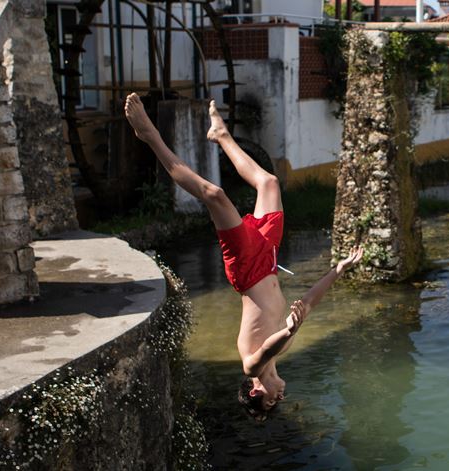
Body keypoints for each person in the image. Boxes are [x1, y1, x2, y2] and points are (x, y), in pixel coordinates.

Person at [124, 93, 363, 420]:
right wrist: (338, 269)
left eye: (270, 401)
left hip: (248, 271)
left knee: (214, 195)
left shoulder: (251, 362)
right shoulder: (286, 347)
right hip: (268, 260)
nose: (279, 398)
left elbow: (268, 348)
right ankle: (222, 136)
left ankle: (149, 136)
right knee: (269, 183)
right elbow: (308, 301)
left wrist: (290, 331)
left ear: (254, 390)